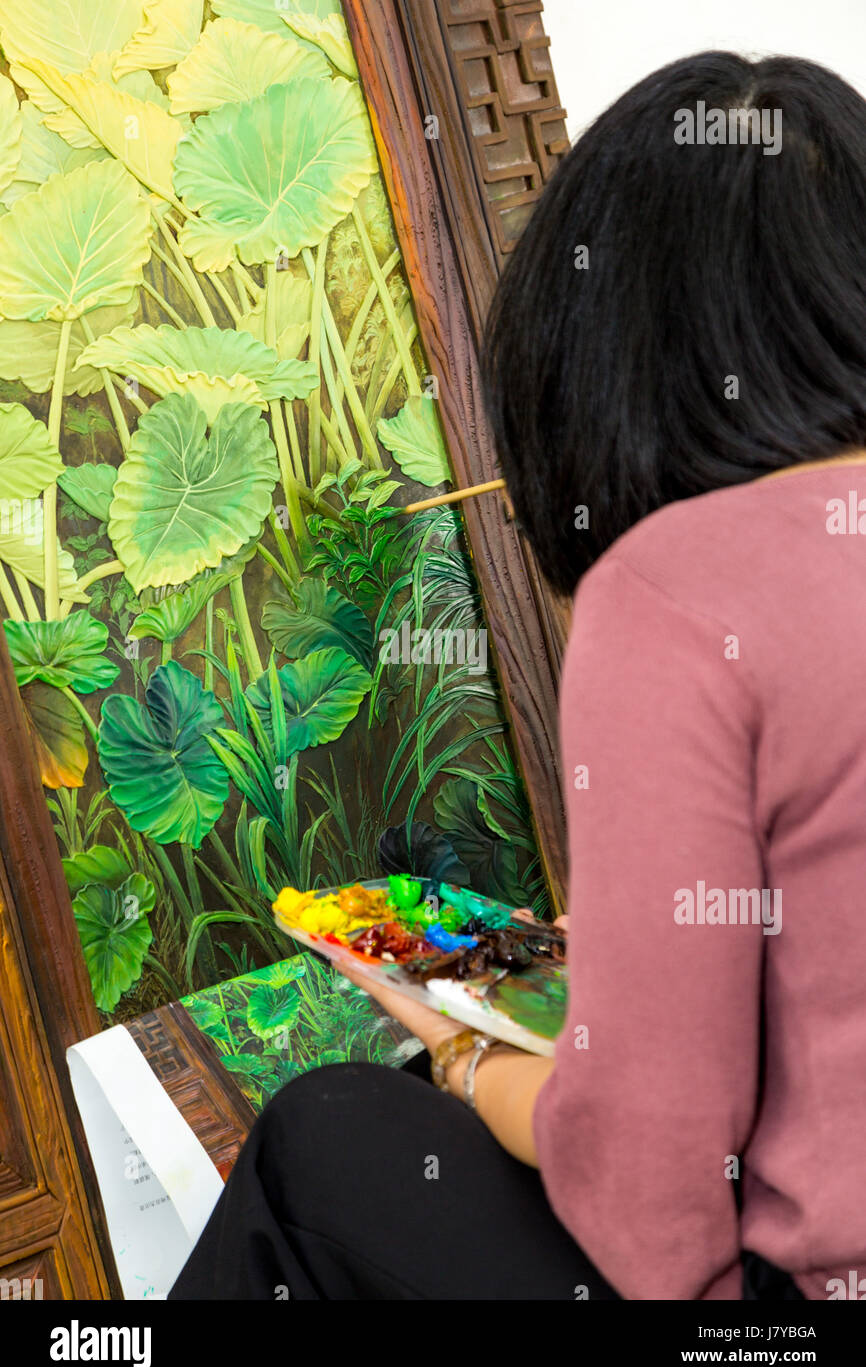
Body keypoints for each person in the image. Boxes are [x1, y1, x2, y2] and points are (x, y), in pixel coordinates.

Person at [170, 51, 866, 1301]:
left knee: (328, 1139)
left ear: (599, 356)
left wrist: (463, 1062)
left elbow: (660, 1219)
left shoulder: (675, 588)